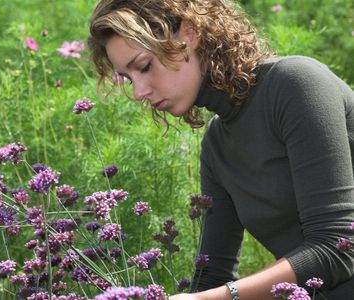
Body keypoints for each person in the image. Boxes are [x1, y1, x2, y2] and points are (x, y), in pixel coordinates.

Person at [87, 0, 354, 299]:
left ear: (189, 32)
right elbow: (212, 275)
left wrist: (209, 298)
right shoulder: (217, 146)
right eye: (128, 78)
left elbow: (339, 246)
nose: (139, 92)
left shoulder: (296, 85)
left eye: (145, 66)